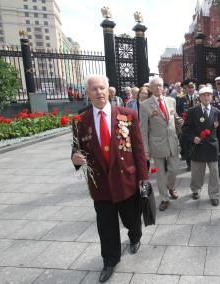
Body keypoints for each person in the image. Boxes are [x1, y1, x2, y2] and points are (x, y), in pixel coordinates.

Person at [71, 75, 148, 283]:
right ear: (88, 93)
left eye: (102, 88)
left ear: (108, 90)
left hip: (126, 181)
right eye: (94, 89)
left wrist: (144, 177)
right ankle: (110, 260)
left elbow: (139, 149)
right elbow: (76, 150)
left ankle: (135, 236)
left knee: (131, 218)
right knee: (106, 226)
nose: (99, 92)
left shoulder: (128, 115)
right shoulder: (80, 121)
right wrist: (75, 158)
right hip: (101, 185)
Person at [139, 76, 183, 211]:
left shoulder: (171, 101)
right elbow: (143, 129)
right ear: (151, 88)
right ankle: (164, 198)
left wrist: (180, 124)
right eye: (156, 86)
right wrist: (145, 150)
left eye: (160, 85)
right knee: (160, 174)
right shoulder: (145, 105)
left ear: (163, 87)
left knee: (174, 169)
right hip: (156, 144)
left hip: (172, 141)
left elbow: (174, 118)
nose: (158, 88)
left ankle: (170, 186)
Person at [182, 86, 220, 205]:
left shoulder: (217, 112)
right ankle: (195, 189)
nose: (206, 97)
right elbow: (185, 129)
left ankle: (214, 194)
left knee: (215, 173)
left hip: (212, 147)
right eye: (204, 95)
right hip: (198, 147)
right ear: (199, 97)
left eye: (208, 95)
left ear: (211, 96)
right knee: (197, 172)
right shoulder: (192, 111)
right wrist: (192, 138)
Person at [176, 79, 199, 171]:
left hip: (197, 125)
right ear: (186, 89)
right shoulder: (181, 98)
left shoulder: (199, 98)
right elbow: (178, 112)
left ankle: (196, 161)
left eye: (192, 87)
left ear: (195, 88)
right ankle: (189, 164)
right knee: (187, 145)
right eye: (189, 88)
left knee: (196, 144)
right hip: (186, 126)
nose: (190, 89)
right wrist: (181, 124)